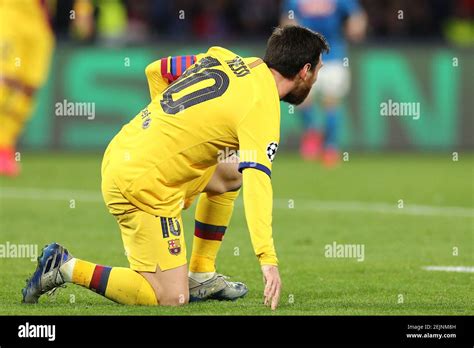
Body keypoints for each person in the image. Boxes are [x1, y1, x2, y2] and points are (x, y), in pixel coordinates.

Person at [22, 25, 329, 310]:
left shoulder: (224, 57)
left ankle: (202, 273)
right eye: (317, 71)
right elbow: (259, 184)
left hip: (124, 149)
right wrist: (267, 259)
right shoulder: (262, 107)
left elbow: (156, 70)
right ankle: (65, 267)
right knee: (171, 297)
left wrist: (166, 134)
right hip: (142, 181)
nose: (315, 80)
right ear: (304, 71)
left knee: (232, 173)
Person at [282, 0, 366, 166]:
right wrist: (292, 30)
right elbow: (287, 20)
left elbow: (357, 16)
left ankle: (330, 147)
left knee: (331, 102)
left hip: (333, 56)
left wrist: (356, 26)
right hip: (305, 57)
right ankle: (312, 130)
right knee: (302, 99)